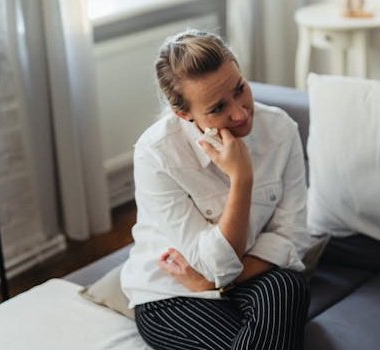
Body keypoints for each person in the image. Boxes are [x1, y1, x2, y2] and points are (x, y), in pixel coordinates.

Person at [120, 30, 314, 350]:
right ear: (184, 113)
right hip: (173, 293)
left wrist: (214, 282)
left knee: (288, 287)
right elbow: (213, 264)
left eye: (240, 89)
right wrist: (242, 179)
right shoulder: (156, 154)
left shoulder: (280, 129)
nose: (240, 113)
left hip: (250, 275)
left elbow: (293, 234)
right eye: (218, 108)